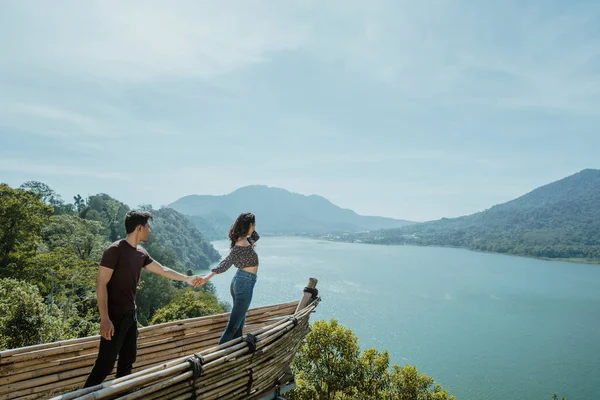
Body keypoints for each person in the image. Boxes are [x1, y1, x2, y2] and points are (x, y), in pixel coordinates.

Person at [84, 210, 202, 387]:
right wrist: (104, 318)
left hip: (131, 316)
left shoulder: (141, 253)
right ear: (139, 228)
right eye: (148, 226)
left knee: (127, 362)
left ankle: (121, 395)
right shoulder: (114, 250)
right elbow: (100, 284)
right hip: (114, 317)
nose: (150, 230)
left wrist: (186, 278)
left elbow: (162, 270)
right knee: (104, 366)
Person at [199, 212, 260, 344]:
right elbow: (225, 263)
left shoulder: (245, 240)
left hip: (242, 281)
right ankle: (218, 355)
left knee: (239, 325)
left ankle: (236, 354)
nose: (255, 227)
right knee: (232, 327)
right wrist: (206, 277)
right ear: (249, 225)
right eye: (253, 224)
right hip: (244, 283)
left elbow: (256, 235)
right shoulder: (241, 244)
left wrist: (247, 228)